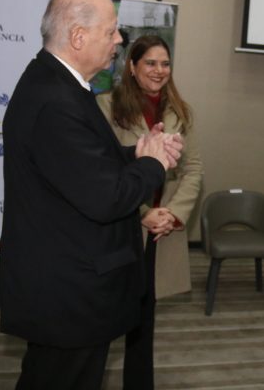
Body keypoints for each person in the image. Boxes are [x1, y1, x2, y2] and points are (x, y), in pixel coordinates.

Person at [0, 0, 183, 390]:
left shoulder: (58, 86)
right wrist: (153, 163)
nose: (118, 41)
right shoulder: (56, 100)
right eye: (111, 31)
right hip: (68, 292)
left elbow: (82, 162)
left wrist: (136, 153)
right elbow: (106, 197)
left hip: (66, 284)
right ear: (78, 37)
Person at [97, 35, 203, 390]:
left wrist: (171, 213)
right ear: (131, 66)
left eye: (165, 63)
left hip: (162, 230)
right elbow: (106, 172)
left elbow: (193, 169)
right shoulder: (106, 106)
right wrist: (142, 211)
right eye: (151, 63)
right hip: (124, 226)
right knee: (107, 315)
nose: (160, 71)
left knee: (145, 318)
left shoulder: (181, 111)